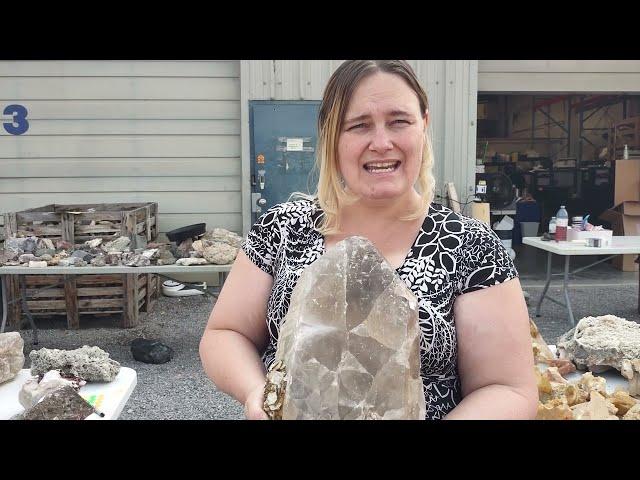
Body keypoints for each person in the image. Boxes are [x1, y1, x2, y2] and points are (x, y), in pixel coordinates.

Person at [199, 60, 537, 420]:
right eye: (359, 125)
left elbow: (508, 389)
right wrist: (257, 393)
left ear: (424, 124)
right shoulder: (282, 228)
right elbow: (224, 333)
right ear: (332, 136)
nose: (381, 143)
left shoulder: (472, 247)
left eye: (399, 121)